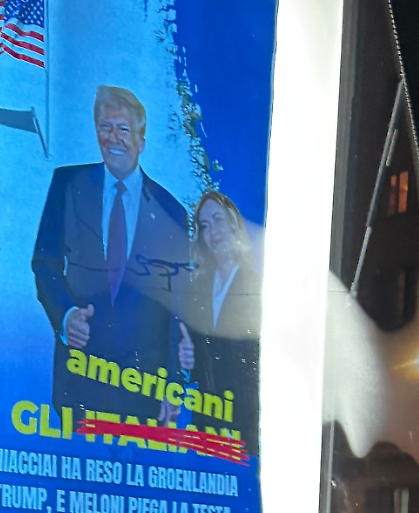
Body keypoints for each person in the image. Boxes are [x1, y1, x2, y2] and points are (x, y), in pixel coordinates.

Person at [31, 85, 194, 421]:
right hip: (78, 381)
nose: (113, 138)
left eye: (123, 129)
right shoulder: (67, 184)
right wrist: (65, 317)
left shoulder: (172, 212)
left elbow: (175, 305)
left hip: (143, 389)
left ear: (142, 140)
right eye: (105, 127)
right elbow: (44, 263)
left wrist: (173, 383)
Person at [183, 190, 261, 452]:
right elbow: (199, 363)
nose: (212, 231)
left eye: (217, 220)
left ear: (233, 224)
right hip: (206, 422)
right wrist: (187, 362)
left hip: (243, 427)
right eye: (204, 226)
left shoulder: (255, 287)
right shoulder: (198, 289)